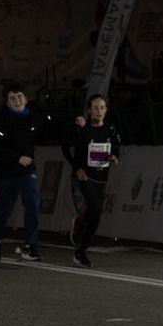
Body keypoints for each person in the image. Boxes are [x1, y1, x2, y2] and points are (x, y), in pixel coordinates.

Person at [63, 93, 121, 268]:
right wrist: (76, 167)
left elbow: (116, 148)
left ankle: (81, 249)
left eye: (102, 108)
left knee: (95, 215)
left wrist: (113, 157)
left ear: (106, 109)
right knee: (95, 209)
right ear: (89, 110)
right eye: (95, 108)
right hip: (84, 176)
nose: (99, 111)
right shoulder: (83, 128)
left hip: (101, 177)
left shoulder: (111, 129)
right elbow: (66, 147)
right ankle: (81, 243)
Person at [0, 83, 42, 262]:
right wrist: (17, 157)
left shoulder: (33, 117)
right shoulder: (3, 120)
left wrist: (78, 124)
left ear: (26, 99)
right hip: (7, 172)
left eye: (19, 96)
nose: (17, 100)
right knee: (5, 208)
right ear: (7, 103)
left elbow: (50, 125)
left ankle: (29, 246)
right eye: (12, 98)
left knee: (32, 203)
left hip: (27, 170)